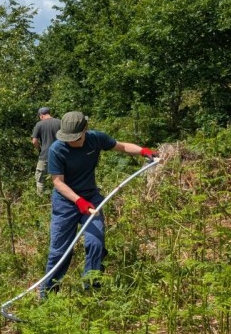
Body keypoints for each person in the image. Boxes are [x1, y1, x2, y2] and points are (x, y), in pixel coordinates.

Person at [38, 111, 158, 300]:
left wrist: (144, 151)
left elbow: (123, 146)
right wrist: (78, 201)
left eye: (74, 138)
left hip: (91, 199)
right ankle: (47, 295)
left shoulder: (95, 139)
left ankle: (91, 288)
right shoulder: (57, 149)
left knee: (96, 243)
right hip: (65, 203)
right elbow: (58, 183)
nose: (70, 141)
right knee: (60, 250)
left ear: (84, 130)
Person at [31, 107, 61, 195]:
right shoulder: (59, 122)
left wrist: (39, 149)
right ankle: (59, 197)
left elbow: (34, 141)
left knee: (40, 179)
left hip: (45, 155)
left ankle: (40, 198)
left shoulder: (39, 124)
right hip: (59, 155)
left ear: (41, 115)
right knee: (59, 178)